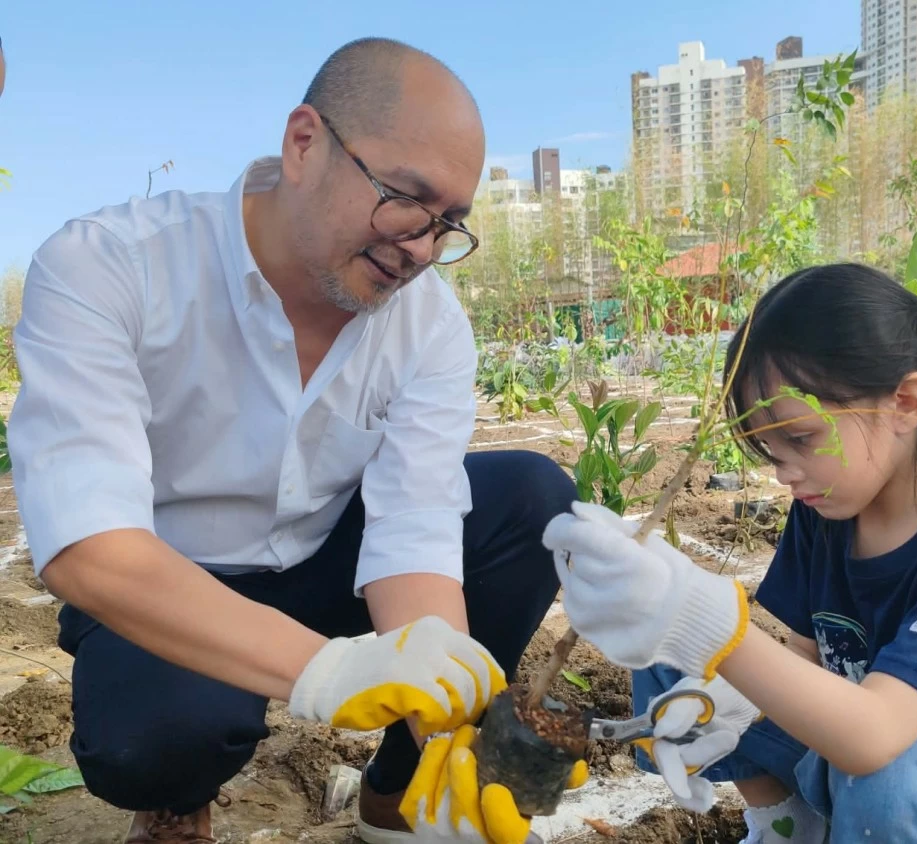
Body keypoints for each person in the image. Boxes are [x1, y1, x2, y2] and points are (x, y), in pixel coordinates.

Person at [8, 37, 576, 844]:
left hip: (320, 562)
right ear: (304, 142)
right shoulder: (108, 268)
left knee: (531, 499)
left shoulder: (429, 326)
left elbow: (413, 533)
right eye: (404, 197)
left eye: (449, 223)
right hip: (170, 578)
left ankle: (402, 790)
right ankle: (177, 801)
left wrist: (447, 738)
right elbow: (89, 545)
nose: (420, 246)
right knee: (157, 737)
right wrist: (329, 670)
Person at [543, 263, 917, 844]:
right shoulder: (829, 504)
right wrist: (706, 670)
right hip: (844, 774)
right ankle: (787, 829)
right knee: (672, 655)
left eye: (801, 439)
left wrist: (709, 621)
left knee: (891, 775)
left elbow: (875, 735)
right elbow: (807, 653)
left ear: (906, 403)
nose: (784, 470)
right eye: (767, 447)